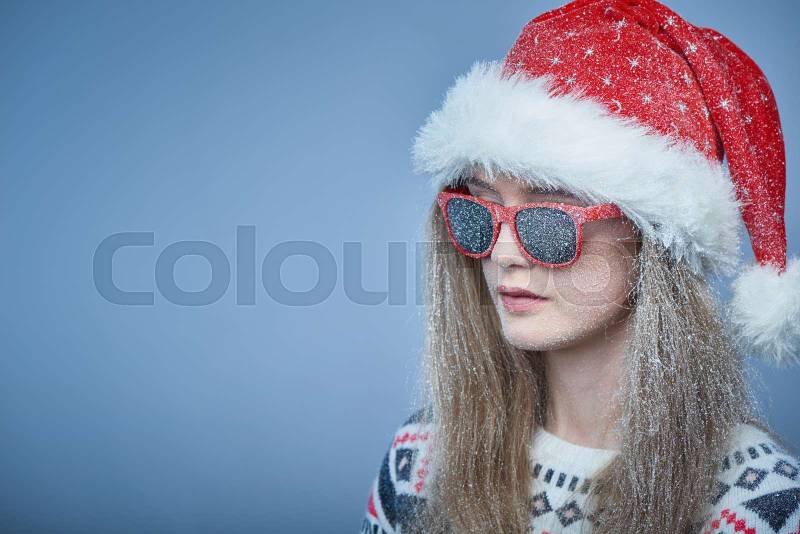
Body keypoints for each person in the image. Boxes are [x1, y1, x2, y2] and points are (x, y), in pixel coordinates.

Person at [360, 0, 800, 532]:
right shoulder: (420, 462)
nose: (502, 253)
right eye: (478, 212)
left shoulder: (762, 505)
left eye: (550, 218)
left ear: (653, 239)